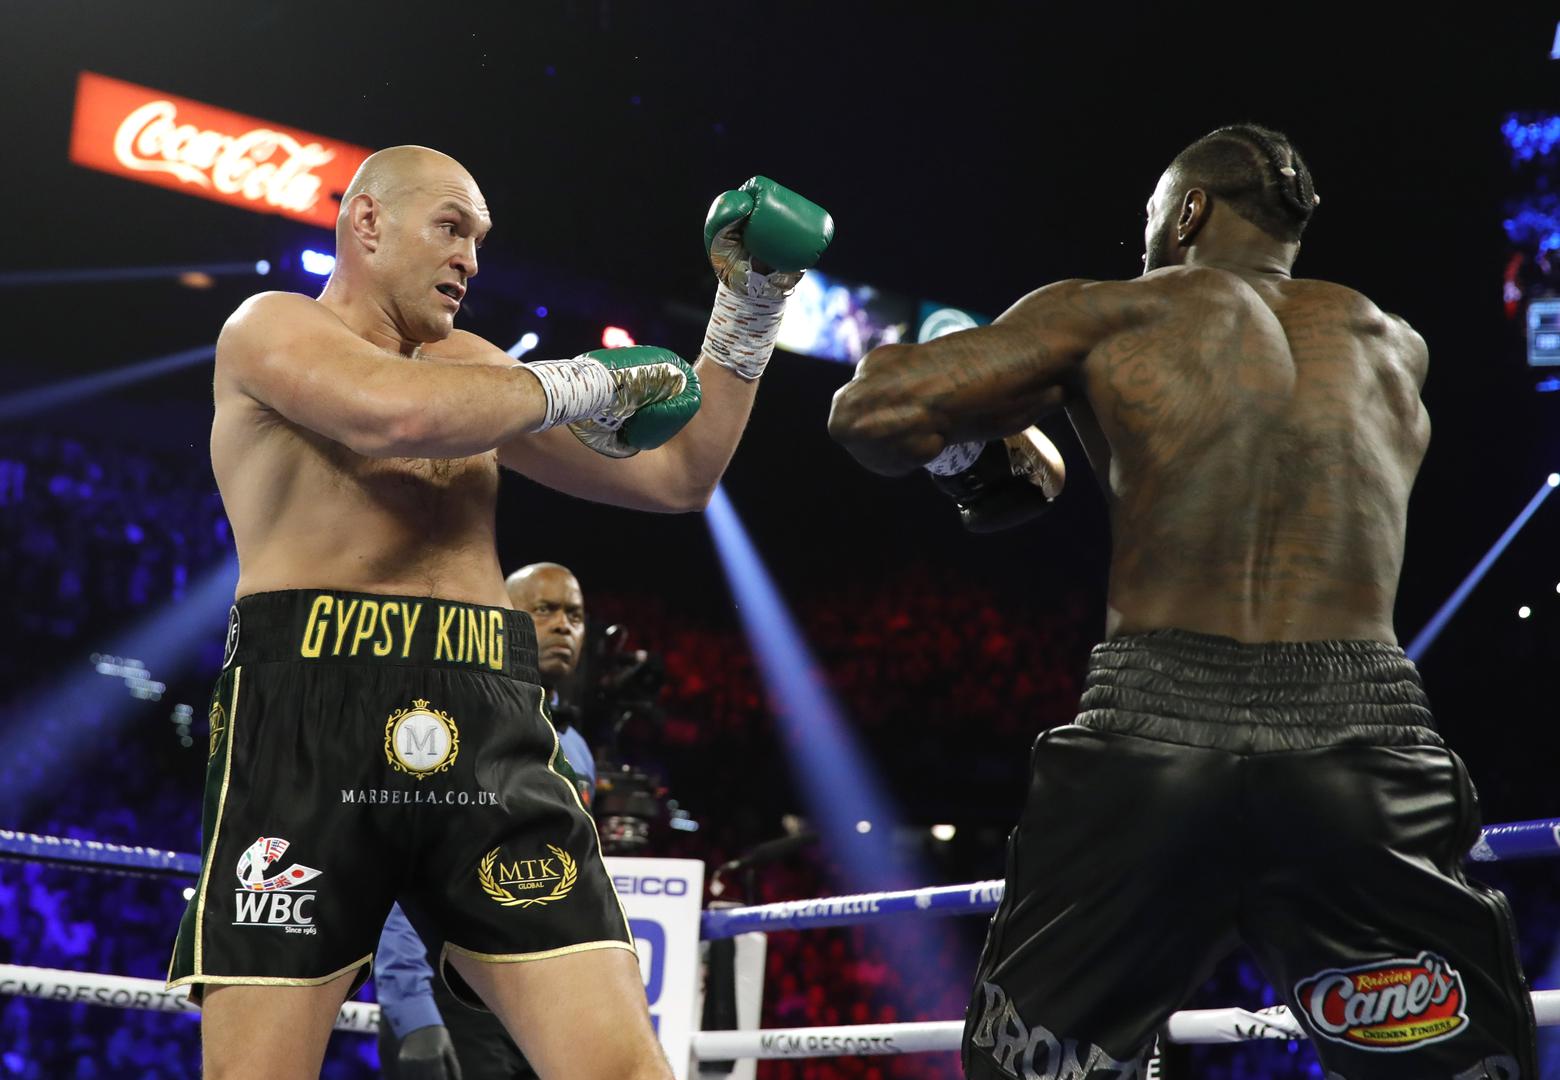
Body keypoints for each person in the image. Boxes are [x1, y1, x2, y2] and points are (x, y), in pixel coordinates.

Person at [829, 124, 1536, 1080]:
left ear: (1190, 210)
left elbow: (870, 414)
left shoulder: (1118, 311)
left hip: (1156, 731)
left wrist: (970, 431)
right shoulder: (1392, 345)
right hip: (1362, 744)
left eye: (1152, 216)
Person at [166, 144, 831, 1080]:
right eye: (450, 228)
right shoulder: (269, 327)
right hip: (311, 716)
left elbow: (681, 476)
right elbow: (390, 415)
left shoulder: (475, 371)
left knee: (624, 1070)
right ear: (366, 222)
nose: (470, 258)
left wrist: (750, 306)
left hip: (488, 720)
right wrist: (584, 381)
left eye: (478, 239)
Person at [376, 563, 594, 1080]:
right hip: (451, 992)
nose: (563, 626)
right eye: (544, 610)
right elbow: (394, 868)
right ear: (501, 618)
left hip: (541, 1005)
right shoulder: (441, 722)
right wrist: (412, 1009)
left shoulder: (577, 749)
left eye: (575, 615)